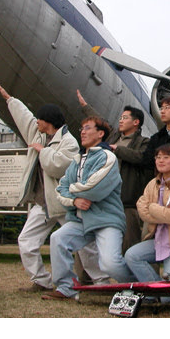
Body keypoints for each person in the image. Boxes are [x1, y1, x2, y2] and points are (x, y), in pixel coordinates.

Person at [0, 82, 106, 292]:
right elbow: (23, 116)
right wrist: (8, 98)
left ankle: (102, 282)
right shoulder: (38, 134)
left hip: (64, 203)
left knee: (84, 245)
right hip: (42, 202)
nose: (36, 121)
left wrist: (41, 151)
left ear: (49, 121)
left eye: (40, 118)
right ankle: (41, 280)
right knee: (26, 240)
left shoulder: (69, 141)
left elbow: (58, 167)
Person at [42, 116, 136, 300]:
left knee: (110, 264)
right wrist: (74, 200)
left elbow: (94, 189)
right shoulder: (77, 160)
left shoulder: (108, 157)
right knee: (58, 238)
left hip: (106, 219)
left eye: (87, 128)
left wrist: (72, 191)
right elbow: (59, 190)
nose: (82, 132)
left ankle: (136, 286)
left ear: (100, 134)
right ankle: (66, 287)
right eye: (81, 129)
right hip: (81, 219)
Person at [76, 90, 150, 252]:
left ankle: (128, 277)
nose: (121, 121)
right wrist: (85, 107)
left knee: (128, 244)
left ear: (136, 122)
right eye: (120, 118)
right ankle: (86, 278)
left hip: (126, 201)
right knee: (92, 242)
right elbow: (101, 123)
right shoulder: (112, 137)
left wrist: (118, 150)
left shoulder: (143, 142)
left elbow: (141, 158)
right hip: (104, 199)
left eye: (125, 118)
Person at [125, 144, 170, 303]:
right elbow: (142, 211)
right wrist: (164, 211)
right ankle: (155, 290)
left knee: (169, 301)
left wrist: (153, 208)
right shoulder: (153, 183)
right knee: (132, 255)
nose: (161, 161)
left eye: (166, 157)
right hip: (157, 240)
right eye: (158, 157)